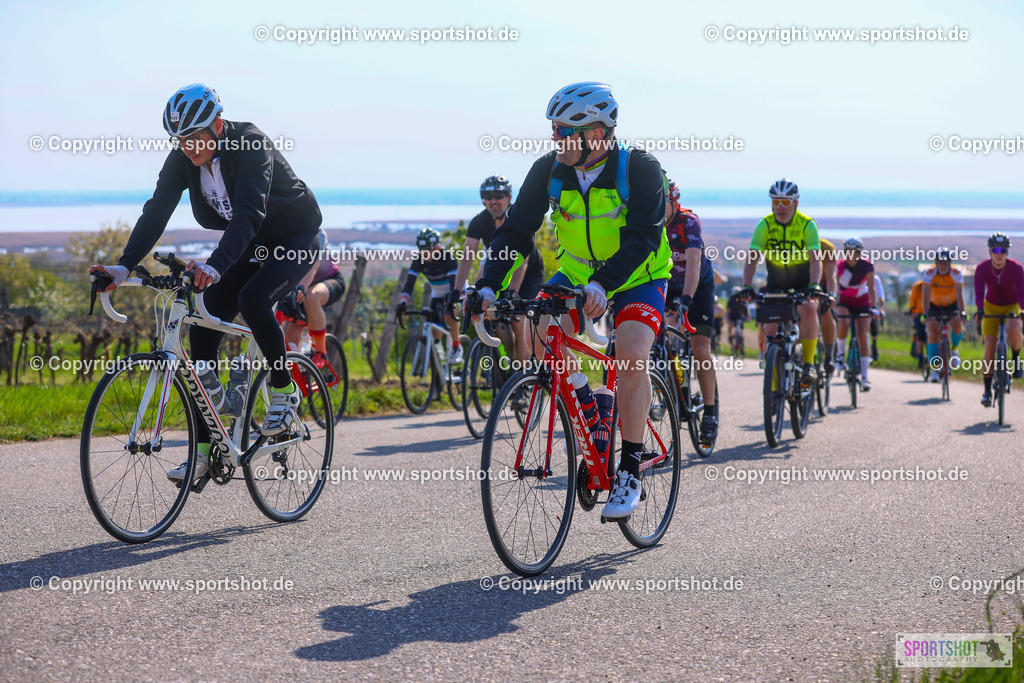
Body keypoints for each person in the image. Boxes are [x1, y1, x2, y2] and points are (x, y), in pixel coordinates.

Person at [89, 83, 323, 484]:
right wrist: (125, 267)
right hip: (249, 244)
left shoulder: (250, 143)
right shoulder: (183, 156)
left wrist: (215, 266)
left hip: (294, 239)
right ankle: (204, 450)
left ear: (217, 124)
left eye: (195, 137)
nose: (189, 147)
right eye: (180, 139)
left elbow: (249, 213)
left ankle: (284, 392)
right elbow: (157, 208)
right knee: (201, 327)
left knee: (252, 300)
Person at [471, 81, 672, 520]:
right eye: (554, 131)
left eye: (564, 132)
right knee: (545, 331)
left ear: (596, 134)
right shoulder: (550, 169)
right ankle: (594, 410)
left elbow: (643, 237)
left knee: (633, 354)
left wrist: (605, 283)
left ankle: (630, 470)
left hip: (638, 275)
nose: (555, 140)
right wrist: (488, 283)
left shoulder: (639, 167)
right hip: (579, 272)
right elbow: (516, 231)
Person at [739, 178, 823, 386]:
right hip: (776, 282)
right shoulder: (765, 224)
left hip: (803, 282)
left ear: (796, 203)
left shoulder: (807, 224)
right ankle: (774, 387)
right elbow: (752, 258)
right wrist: (747, 286)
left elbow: (815, 259)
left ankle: (809, 363)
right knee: (770, 330)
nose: (780, 207)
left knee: (809, 309)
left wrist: (814, 285)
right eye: (776, 202)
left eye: (785, 202)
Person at [454, 175, 545, 362]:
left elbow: (522, 262)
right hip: (498, 271)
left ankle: (522, 375)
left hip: (527, 273)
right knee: (486, 309)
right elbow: (467, 257)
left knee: (518, 320)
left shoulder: (519, 218)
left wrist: (512, 292)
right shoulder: (480, 221)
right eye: (488, 197)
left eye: (499, 195)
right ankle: (501, 363)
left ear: (509, 197)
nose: (493, 201)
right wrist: (456, 292)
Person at [664, 177, 719, 443]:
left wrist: (686, 297)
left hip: (697, 286)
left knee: (699, 347)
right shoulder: (649, 222)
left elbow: (694, 262)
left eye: (660, 203)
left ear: (674, 202)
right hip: (666, 285)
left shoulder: (688, 222)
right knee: (659, 337)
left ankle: (709, 412)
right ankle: (672, 386)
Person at [277, 229, 346, 377]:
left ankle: (321, 352)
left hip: (328, 280)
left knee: (311, 296)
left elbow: (314, 266)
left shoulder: (318, 233)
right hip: (299, 287)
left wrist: (302, 287)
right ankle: (294, 378)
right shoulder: (283, 232)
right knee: (290, 336)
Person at [973, 232, 1024, 406]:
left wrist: (1022, 310)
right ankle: (987, 390)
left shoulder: (1016, 268)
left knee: (1015, 326)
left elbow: (1022, 292)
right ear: (990, 251)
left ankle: (1016, 360)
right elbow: (979, 293)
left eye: (1003, 250)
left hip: (1012, 305)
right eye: (996, 250)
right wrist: (980, 310)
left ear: (1007, 252)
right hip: (991, 306)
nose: (999, 254)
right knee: (990, 345)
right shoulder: (982, 268)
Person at [398, 228, 462, 363]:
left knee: (449, 313)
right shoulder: (419, 260)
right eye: (422, 249)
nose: (425, 253)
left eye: (428, 249)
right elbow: (409, 284)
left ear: (437, 247)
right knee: (433, 324)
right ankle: (439, 356)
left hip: (456, 290)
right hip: (437, 292)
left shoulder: (447, 257)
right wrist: (403, 302)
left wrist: (451, 302)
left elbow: (453, 284)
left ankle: (457, 346)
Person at [835, 238, 877, 390]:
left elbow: (871, 288)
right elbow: (836, 286)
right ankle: (839, 355)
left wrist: (874, 306)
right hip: (845, 302)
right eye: (848, 252)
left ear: (859, 253)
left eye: (855, 252)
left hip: (862, 301)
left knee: (862, 334)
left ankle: (865, 376)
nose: (851, 255)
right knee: (843, 323)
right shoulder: (839, 266)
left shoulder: (867, 265)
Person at [922, 248, 965, 383]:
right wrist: (926, 314)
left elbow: (960, 294)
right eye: (940, 263)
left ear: (950, 263)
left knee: (958, 324)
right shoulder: (929, 273)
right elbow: (925, 296)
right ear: (935, 263)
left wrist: (962, 312)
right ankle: (935, 369)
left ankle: (954, 349)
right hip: (935, 305)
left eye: (945, 263)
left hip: (952, 304)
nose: (942, 266)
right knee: (933, 332)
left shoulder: (956, 273)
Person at [817, 237, 840, 373]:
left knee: (825, 313)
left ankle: (829, 356)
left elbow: (832, 276)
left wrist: (831, 294)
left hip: (825, 283)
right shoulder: (797, 245)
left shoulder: (827, 247)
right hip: (805, 282)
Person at [906, 279, 927, 373]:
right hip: (919, 314)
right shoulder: (918, 286)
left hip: (930, 314)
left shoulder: (935, 284)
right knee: (921, 336)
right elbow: (912, 299)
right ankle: (920, 358)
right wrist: (912, 311)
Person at [726, 286, 749, 355]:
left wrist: (748, 318)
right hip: (732, 317)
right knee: (730, 327)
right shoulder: (730, 301)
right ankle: (730, 338)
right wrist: (728, 319)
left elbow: (746, 310)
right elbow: (728, 311)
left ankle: (742, 347)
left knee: (741, 332)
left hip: (740, 318)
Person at [870, 272, 886, 362]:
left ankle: (874, 346)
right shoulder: (858, 275)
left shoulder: (875, 279)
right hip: (860, 305)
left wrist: (881, 309)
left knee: (874, 326)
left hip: (872, 306)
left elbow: (881, 297)